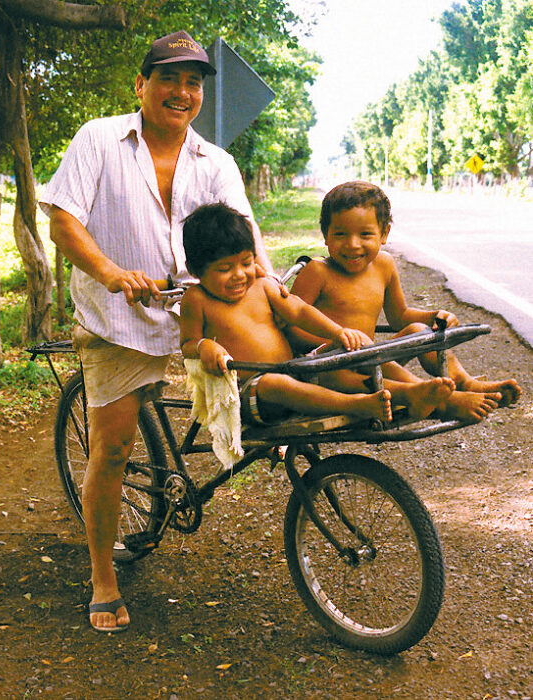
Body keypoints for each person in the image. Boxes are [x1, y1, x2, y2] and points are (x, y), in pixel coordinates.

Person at [39, 31, 277, 633]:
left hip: (198, 312)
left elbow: (246, 243)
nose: (182, 92)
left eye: (194, 82)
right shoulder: (99, 138)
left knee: (273, 386)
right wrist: (113, 273)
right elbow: (65, 223)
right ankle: (102, 576)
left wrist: (276, 291)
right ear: (141, 85)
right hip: (118, 317)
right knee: (114, 448)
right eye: (168, 78)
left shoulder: (215, 162)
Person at [289, 180, 521, 421]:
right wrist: (339, 339)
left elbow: (400, 317)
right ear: (326, 235)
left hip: (370, 357)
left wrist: (432, 317)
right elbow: (290, 327)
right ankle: (434, 398)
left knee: (418, 330)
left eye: (365, 234)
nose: (353, 244)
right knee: (342, 374)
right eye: (340, 234)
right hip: (325, 366)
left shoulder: (384, 265)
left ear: (384, 234)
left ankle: (465, 382)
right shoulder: (317, 271)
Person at [179, 203, 394, 426]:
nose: (239, 275)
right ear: (195, 270)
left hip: (294, 372)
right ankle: (355, 404)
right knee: (275, 384)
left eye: (246, 262)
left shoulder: (263, 286)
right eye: (224, 269)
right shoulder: (197, 299)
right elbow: (187, 343)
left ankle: (408, 388)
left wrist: (338, 332)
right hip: (252, 393)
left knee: (354, 344)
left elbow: (299, 311)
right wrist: (204, 345)